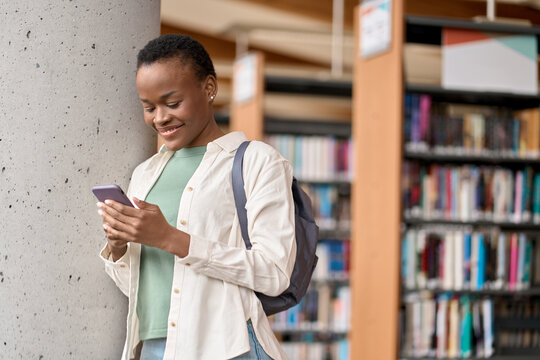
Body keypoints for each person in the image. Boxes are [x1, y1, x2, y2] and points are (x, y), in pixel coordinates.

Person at [96, 34, 296, 360]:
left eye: (172, 103)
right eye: (149, 108)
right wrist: (119, 247)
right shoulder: (145, 174)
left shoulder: (257, 161)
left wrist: (172, 238)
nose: (160, 118)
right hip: (153, 350)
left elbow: (274, 273)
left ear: (209, 88)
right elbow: (146, 288)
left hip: (226, 347)